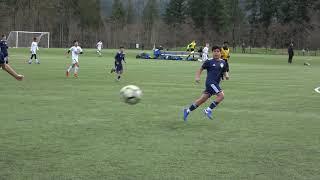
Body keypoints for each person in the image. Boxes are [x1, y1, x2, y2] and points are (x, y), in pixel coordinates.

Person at [183, 45, 230, 121]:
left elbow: (224, 71)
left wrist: (227, 76)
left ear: (220, 53)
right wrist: (197, 77)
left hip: (215, 84)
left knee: (202, 100)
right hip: (210, 82)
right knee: (221, 96)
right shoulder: (209, 61)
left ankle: (187, 111)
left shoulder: (223, 62)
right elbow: (200, 69)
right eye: (214, 51)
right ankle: (208, 110)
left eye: (218, 51)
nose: (216, 53)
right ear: (212, 52)